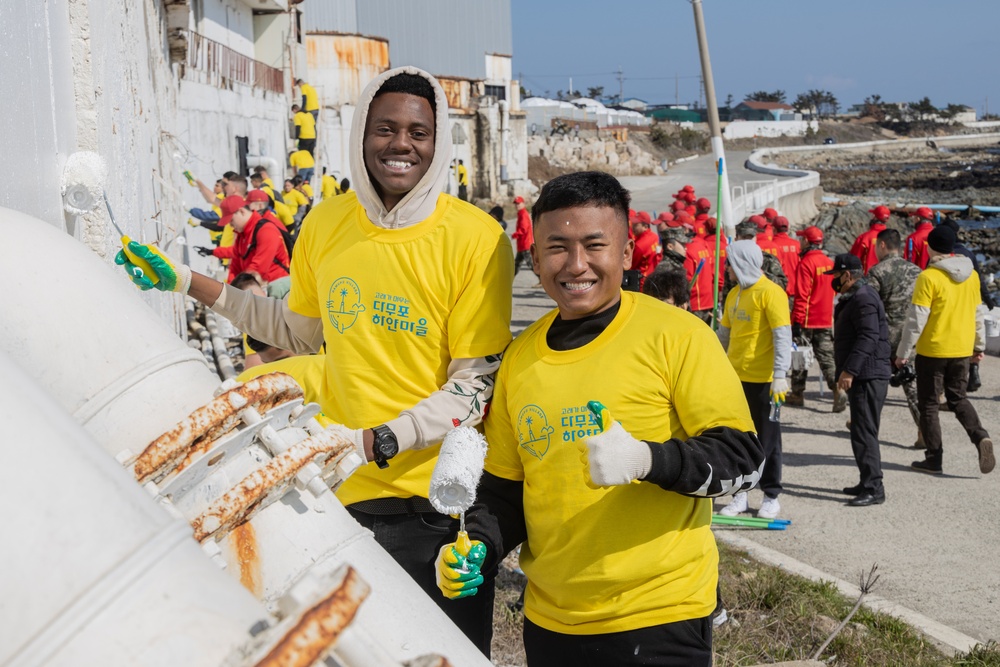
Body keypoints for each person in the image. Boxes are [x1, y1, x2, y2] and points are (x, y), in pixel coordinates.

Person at [116, 67, 514, 654]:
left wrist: (376, 440)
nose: (400, 145)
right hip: (338, 498)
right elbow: (297, 334)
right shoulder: (326, 223)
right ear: (359, 134)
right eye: (384, 128)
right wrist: (187, 280)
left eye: (417, 132)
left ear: (439, 141)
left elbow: (474, 386)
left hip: (434, 507)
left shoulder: (477, 240)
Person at [439, 171, 763, 667]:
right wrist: (477, 544)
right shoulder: (520, 359)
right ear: (535, 259)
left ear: (628, 252)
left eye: (595, 245)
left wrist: (646, 459)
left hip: (659, 614)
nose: (576, 265)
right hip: (551, 623)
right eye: (557, 248)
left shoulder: (676, 335)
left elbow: (742, 458)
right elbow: (506, 491)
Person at [896, 226, 993, 476]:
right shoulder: (971, 276)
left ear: (930, 247)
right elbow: (977, 313)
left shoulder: (929, 277)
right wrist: (978, 346)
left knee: (928, 404)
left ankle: (934, 457)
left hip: (933, 350)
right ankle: (980, 437)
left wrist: (903, 352)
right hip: (961, 348)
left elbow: (917, 319)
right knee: (958, 398)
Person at [716, 240, 791, 520]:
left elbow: (782, 335)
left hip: (766, 381)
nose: (727, 268)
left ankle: (771, 495)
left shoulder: (771, 293)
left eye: (730, 263)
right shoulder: (734, 294)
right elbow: (724, 335)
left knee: (768, 440)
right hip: (736, 380)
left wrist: (781, 375)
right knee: (738, 438)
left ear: (742, 263)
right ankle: (741, 494)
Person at [827, 254, 891, 506]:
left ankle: (874, 487)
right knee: (860, 430)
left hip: (868, 374)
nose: (834, 282)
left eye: (836, 277)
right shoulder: (857, 296)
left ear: (847, 275)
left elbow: (868, 337)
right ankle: (867, 480)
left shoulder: (863, 297)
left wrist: (849, 371)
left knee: (865, 432)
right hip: (865, 372)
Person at [867, 228, 923, 447]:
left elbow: (869, 305)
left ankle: (866, 426)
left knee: (875, 384)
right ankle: (924, 431)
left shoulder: (878, 271)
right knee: (912, 384)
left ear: (882, 245)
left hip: (886, 337)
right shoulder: (917, 271)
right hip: (911, 335)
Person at [940, 217, 996, 393]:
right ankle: (973, 370)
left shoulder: (941, 256)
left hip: (948, 307)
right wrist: (988, 300)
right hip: (969, 304)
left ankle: (947, 387)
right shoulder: (969, 254)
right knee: (970, 341)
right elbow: (979, 280)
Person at [788, 226, 840, 410]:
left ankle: (797, 393)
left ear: (808, 242)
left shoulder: (806, 264)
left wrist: (797, 321)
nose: (800, 242)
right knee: (826, 357)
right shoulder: (829, 263)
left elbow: (802, 295)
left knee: (800, 357)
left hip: (807, 319)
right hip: (825, 318)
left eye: (802, 239)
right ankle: (837, 390)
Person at [194, 194, 290, 284]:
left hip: (277, 290)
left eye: (231, 220)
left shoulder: (266, 230)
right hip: (258, 288)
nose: (231, 225)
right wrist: (230, 289)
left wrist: (236, 292)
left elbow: (258, 269)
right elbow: (235, 263)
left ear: (242, 211)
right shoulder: (242, 235)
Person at [724, 221, 787, 298]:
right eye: (744, 238)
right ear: (736, 239)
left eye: (750, 238)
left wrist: (763, 275)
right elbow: (727, 290)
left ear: (756, 238)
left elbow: (782, 285)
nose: (748, 242)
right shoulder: (733, 261)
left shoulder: (767, 259)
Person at [850, 205, 890, 274]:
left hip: (867, 280)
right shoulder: (891, 237)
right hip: (886, 280)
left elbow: (853, 261)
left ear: (874, 217)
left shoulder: (864, 238)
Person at [629, 210, 662, 282]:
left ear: (645, 226)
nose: (632, 228)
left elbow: (631, 265)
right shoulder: (655, 236)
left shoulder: (639, 246)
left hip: (641, 281)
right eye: (633, 224)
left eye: (636, 225)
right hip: (653, 276)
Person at [771, 216, 799, 298]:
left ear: (773, 229)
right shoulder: (797, 245)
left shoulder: (773, 246)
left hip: (780, 289)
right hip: (796, 289)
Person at [511, 196, 533, 275]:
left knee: (530, 264)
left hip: (525, 243)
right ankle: (509, 280)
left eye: (519, 203)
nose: (517, 205)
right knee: (517, 264)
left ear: (523, 204)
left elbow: (523, 229)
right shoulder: (521, 213)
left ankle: (542, 279)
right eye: (516, 204)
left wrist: (515, 235)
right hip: (522, 244)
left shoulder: (523, 214)